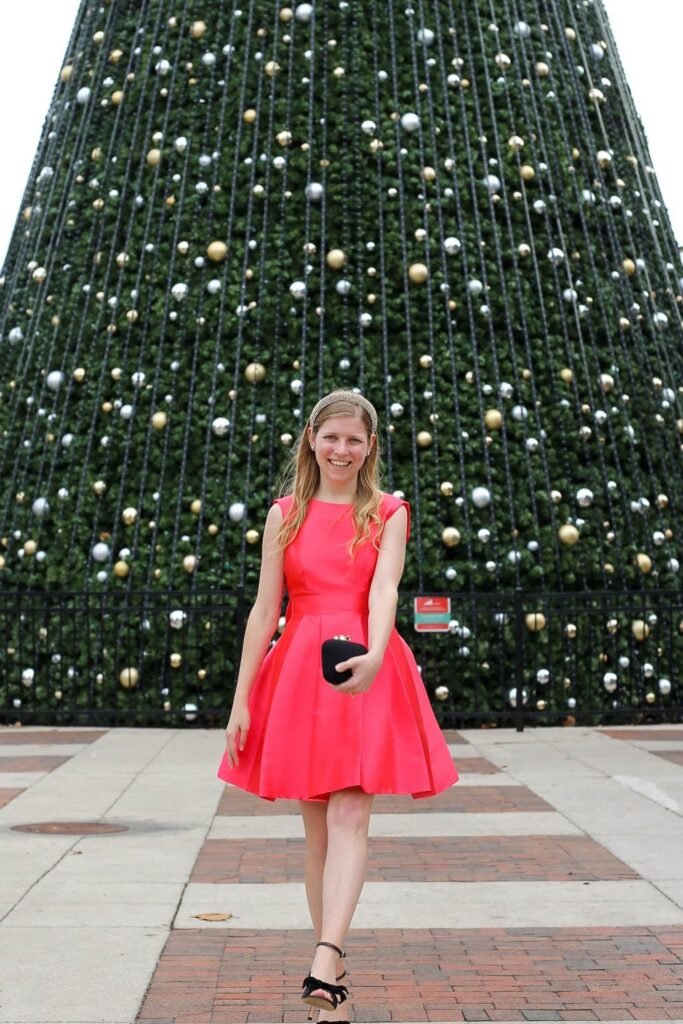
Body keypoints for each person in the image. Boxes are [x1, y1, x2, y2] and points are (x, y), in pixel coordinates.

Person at [217, 389, 458, 1022]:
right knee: (318, 830)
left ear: (370, 446)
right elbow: (264, 610)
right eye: (331, 437)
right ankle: (335, 980)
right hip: (300, 668)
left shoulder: (388, 512)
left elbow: (385, 590)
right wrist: (241, 701)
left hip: (364, 665)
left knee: (352, 811)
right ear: (312, 440)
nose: (341, 450)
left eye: (354, 440)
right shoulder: (285, 515)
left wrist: (376, 653)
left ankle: (323, 960)